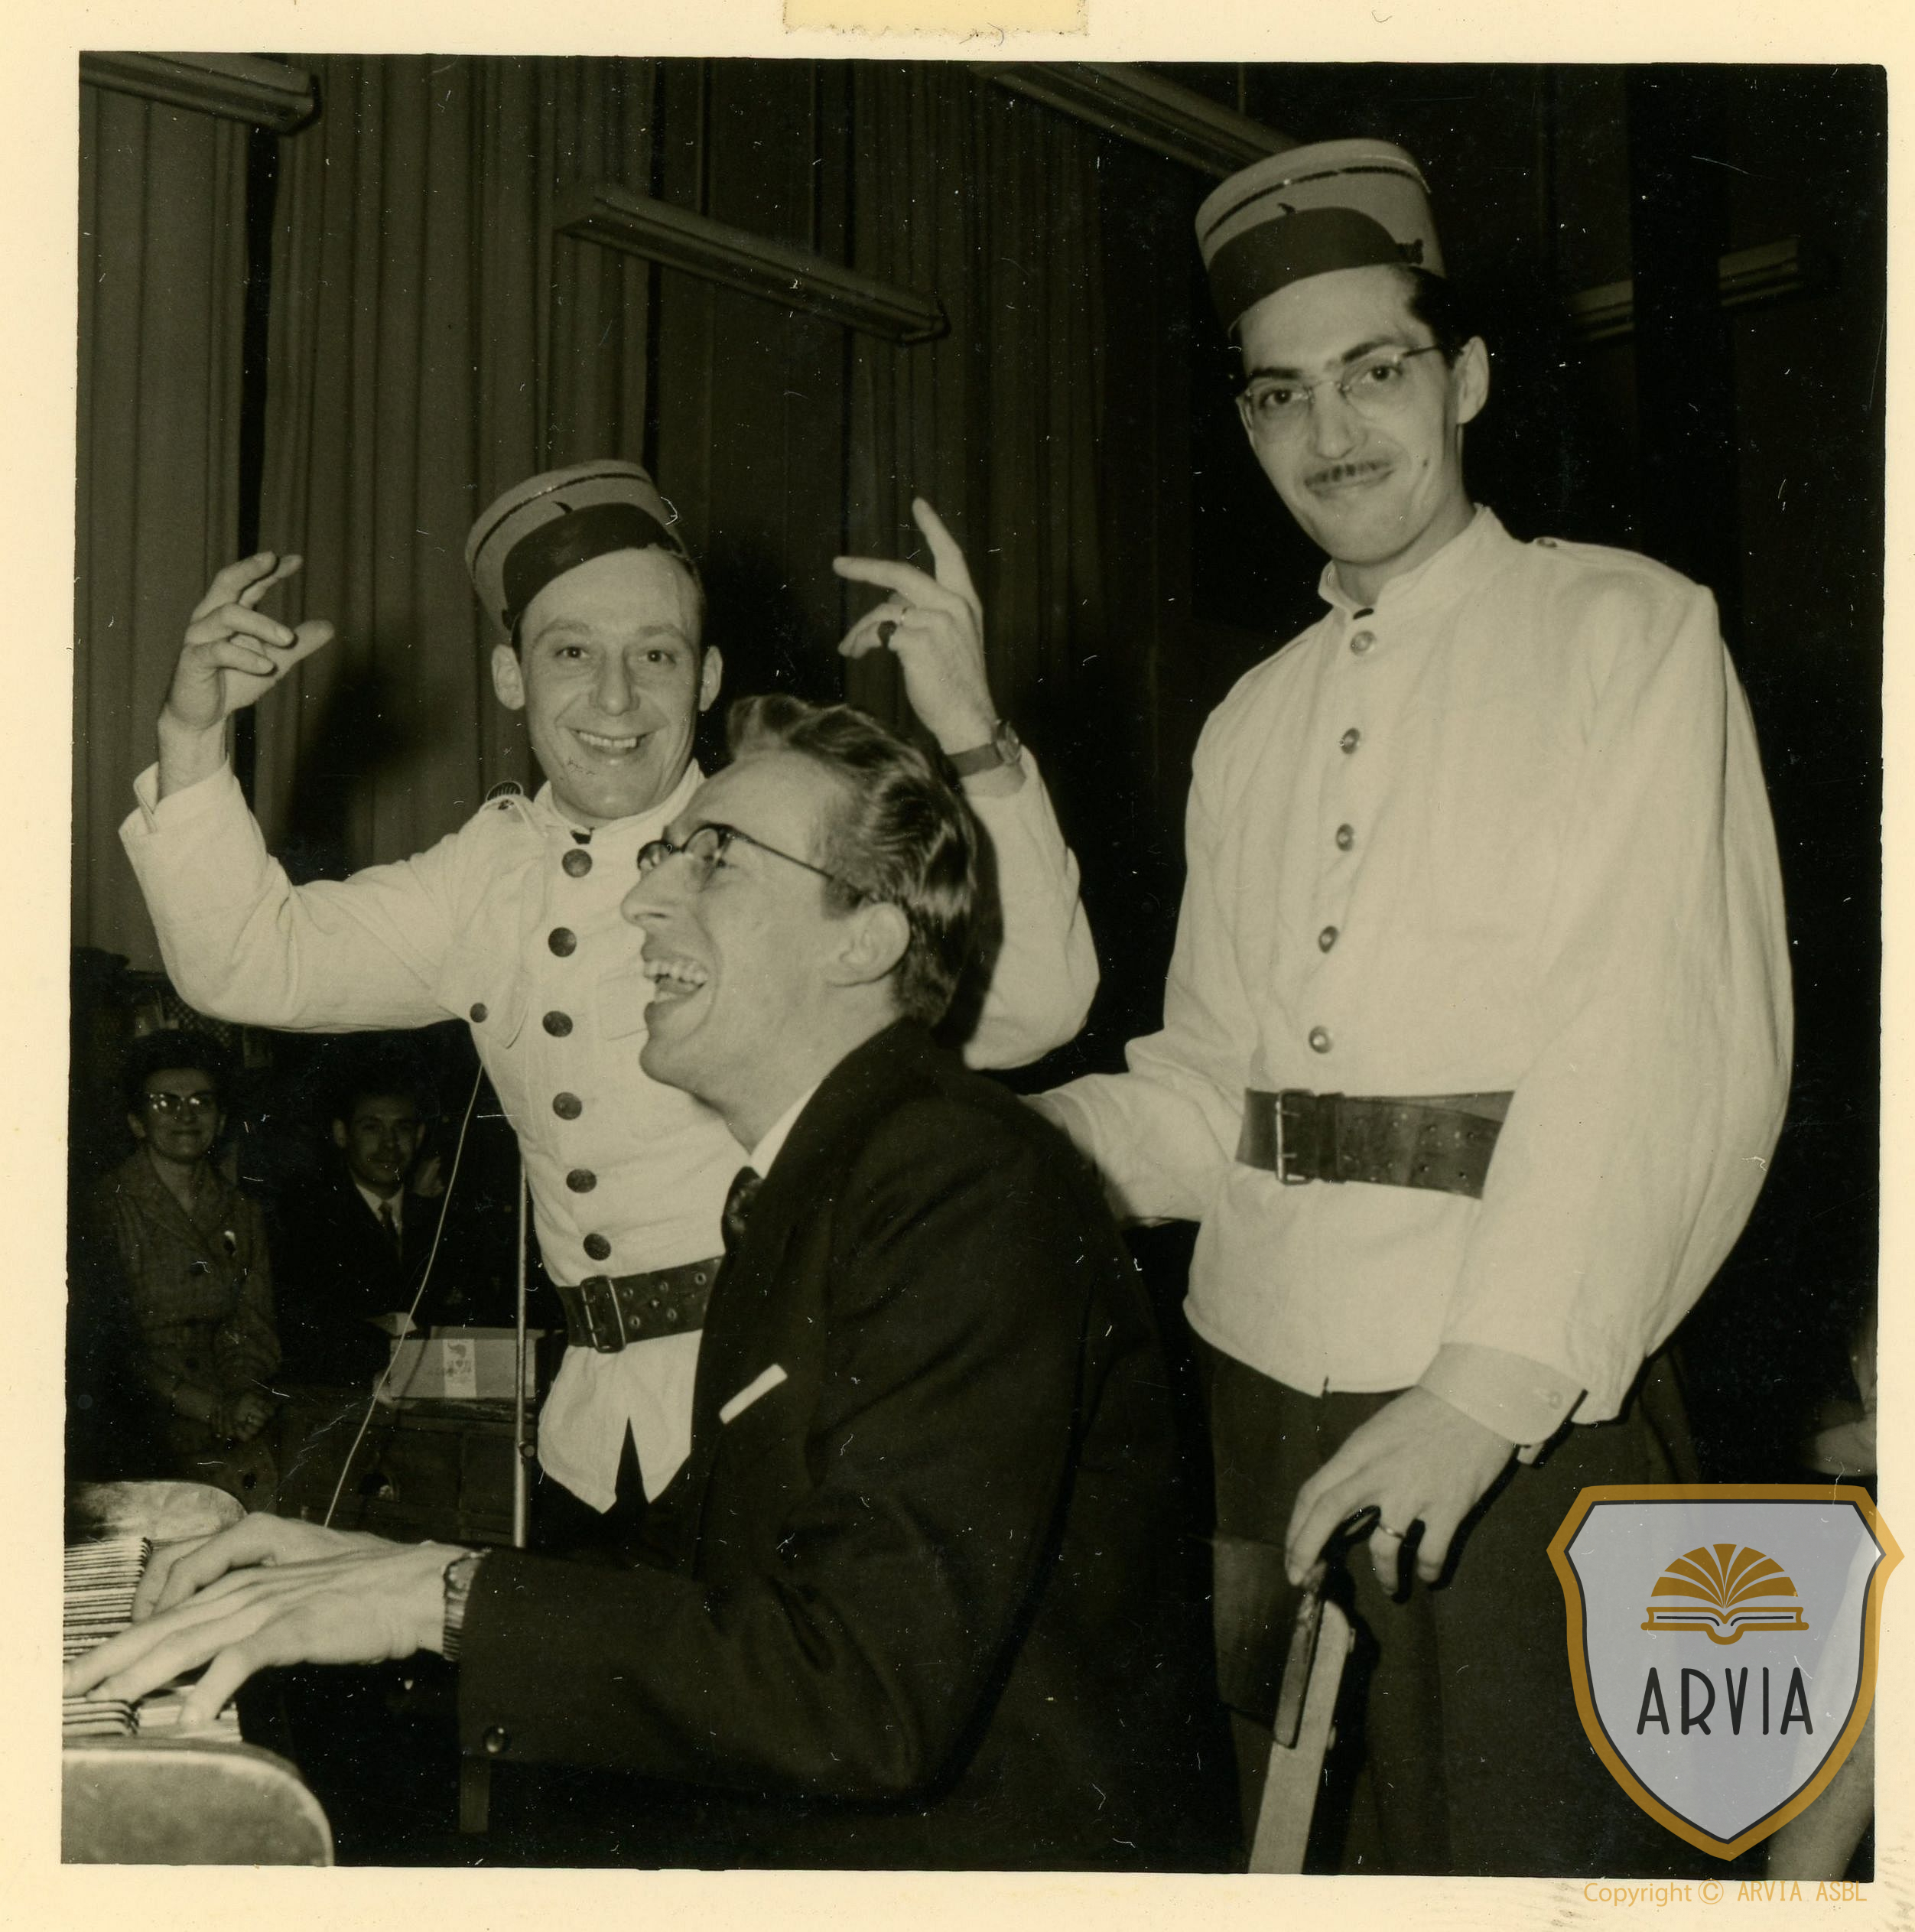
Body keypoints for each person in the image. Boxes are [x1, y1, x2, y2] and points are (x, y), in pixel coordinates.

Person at [68, 698, 1224, 1871]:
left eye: (714, 858)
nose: (641, 899)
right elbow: (697, 1574)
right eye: (670, 851)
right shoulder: (820, 1179)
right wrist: (366, 1565)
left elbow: (865, 1693)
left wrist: (437, 1595)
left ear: (865, 939)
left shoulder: (962, 1183)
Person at [1032, 139, 1793, 1876]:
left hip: (1524, 1400)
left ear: (1462, 378)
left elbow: (1657, 1044)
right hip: (1257, 1396)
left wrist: (1481, 1389)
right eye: (1277, 393)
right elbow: (1206, 1089)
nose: (1329, 429)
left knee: (1544, 1865)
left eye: (1371, 369)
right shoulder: (1247, 722)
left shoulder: (1624, 632)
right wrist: (993, 1148)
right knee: (1293, 1857)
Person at [119, 460, 1097, 1535]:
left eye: (656, 655)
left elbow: (1038, 1006)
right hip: (594, 1430)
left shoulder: (789, 838)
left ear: (707, 677)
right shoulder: (489, 875)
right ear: (511, 675)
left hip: (799, 1393)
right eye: (572, 653)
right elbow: (245, 963)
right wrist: (193, 737)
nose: (617, 699)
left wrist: (970, 729)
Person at [77, 1029, 281, 1502]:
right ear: (137, 1121)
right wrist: (207, 1406)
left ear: (222, 1119)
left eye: (201, 1102)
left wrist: (240, 1397)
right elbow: (107, 1351)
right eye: (165, 1102)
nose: (186, 1116)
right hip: (134, 1424)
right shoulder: (102, 1208)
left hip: (227, 1420)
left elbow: (251, 1329)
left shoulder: (242, 1211)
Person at [271, 1057, 452, 1389]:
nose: (389, 1144)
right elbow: (306, 1332)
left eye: (402, 1128)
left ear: (419, 1136)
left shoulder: (441, 1219)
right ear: (342, 1134)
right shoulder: (305, 1219)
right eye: (372, 1127)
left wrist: (386, 1324)